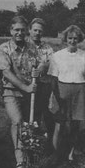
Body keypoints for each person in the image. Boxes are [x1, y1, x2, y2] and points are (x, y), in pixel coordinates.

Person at [0, 15, 39, 168]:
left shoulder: (32, 48)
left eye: (22, 30)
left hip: (29, 94)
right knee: (18, 121)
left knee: (29, 124)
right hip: (11, 92)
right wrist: (25, 87)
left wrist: (37, 73)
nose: (19, 33)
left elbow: (37, 67)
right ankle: (19, 158)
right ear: (11, 30)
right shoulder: (3, 49)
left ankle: (31, 157)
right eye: (16, 30)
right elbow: (6, 73)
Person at [47, 25, 85, 163]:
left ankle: (71, 152)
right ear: (65, 39)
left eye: (75, 38)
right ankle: (56, 152)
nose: (72, 41)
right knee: (60, 123)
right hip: (62, 89)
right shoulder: (57, 56)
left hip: (80, 89)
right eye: (70, 38)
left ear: (79, 39)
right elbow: (53, 78)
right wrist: (55, 96)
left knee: (75, 124)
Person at [27, 18, 56, 153]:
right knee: (30, 116)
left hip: (44, 86)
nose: (37, 33)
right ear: (29, 30)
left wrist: (44, 66)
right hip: (27, 86)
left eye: (40, 31)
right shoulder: (24, 46)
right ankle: (29, 143)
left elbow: (52, 64)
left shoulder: (47, 48)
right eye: (35, 30)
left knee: (46, 114)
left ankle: (49, 142)